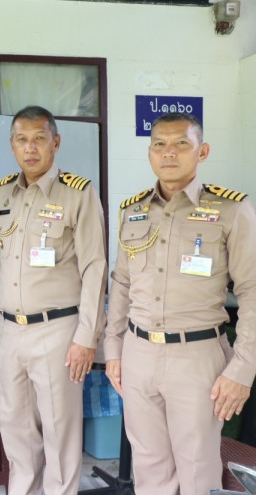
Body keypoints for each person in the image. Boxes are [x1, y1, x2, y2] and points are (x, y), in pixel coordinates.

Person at [104, 112, 256, 494]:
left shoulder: (231, 210)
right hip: (138, 353)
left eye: (181, 144)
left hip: (197, 357)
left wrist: (243, 368)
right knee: (149, 471)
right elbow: (121, 284)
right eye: (159, 144)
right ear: (149, 152)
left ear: (202, 151)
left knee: (197, 473)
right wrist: (113, 347)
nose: (168, 152)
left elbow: (253, 290)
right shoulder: (133, 211)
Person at [0, 105, 108, 495]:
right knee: (16, 431)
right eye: (22, 139)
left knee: (60, 433)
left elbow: (95, 267)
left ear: (55, 142)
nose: (30, 148)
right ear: (11, 145)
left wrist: (87, 335)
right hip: (10, 331)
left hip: (58, 330)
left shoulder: (78, 193)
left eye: (39, 138)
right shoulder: (3, 193)